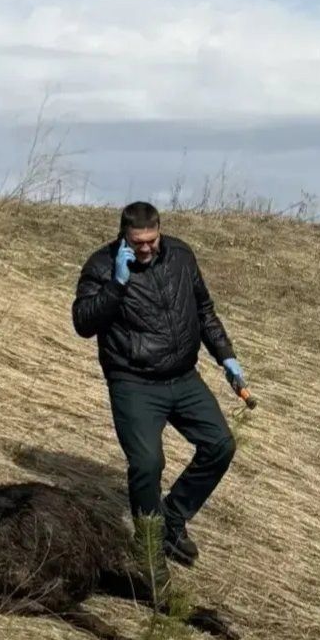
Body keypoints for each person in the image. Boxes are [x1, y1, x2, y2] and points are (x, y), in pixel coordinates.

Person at [72, 201, 243, 566]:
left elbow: (204, 310)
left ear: (160, 231)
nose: (146, 248)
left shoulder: (181, 255)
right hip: (133, 382)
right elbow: (83, 323)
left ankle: (172, 520)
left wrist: (226, 356)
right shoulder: (102, 267)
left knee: (220, 445)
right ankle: (149, 546)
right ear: (124, 237)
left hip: (183, 377)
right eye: (138, 243)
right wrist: (117, 284)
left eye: (152, 240)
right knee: (148, 462)